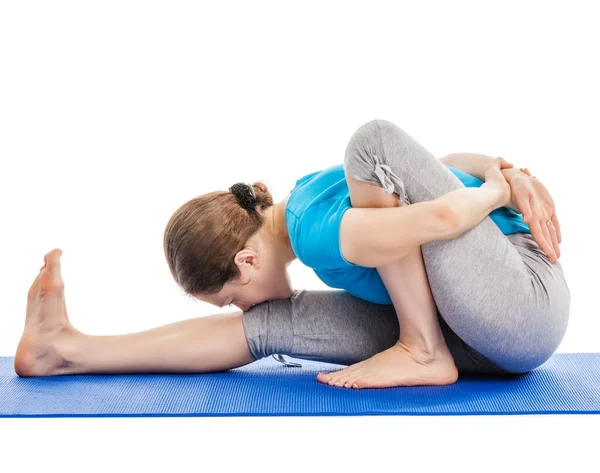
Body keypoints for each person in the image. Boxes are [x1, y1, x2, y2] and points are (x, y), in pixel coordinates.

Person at [14, 119, 570, 390]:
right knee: (277, 321)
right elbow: (441, 168)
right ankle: (65, 351)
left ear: (247, 262)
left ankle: (420, 348)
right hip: (484, 342)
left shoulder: (320, 232)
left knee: (370, 139)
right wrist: (504, 168)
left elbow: (446, 214)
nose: (241, 308)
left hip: (522, 303)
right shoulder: (308, 198)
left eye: (230, 298)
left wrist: (503, 182)